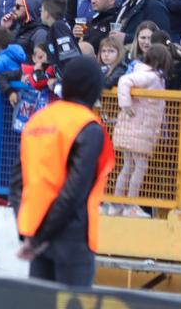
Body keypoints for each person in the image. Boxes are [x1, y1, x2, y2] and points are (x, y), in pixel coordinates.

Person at [13, 57, 114, 286]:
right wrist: (45, 234)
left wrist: (31, 234)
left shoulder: (38, 120)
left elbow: (17, 184)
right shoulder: (88, 126)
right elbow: (74, 192)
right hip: (73, 236)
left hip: (37, 234)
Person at [109, 41, 170, 217]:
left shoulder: (142, 71)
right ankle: (130, 205)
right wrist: (125, 104)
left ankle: (117, 204)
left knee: (128, 166)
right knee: (139, 166)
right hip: (140, 127)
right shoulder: (150, 76)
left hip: (133, 127)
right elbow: (125, 81)